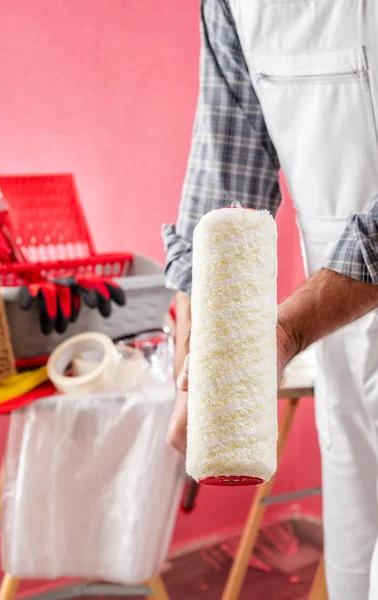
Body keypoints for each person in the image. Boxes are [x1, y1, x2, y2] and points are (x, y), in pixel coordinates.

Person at [162, 2, 378, 598]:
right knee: (358, 572)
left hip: (321, 314)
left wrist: (286, 331)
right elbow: (223, 181)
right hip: (346, 348)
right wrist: (196, 342)